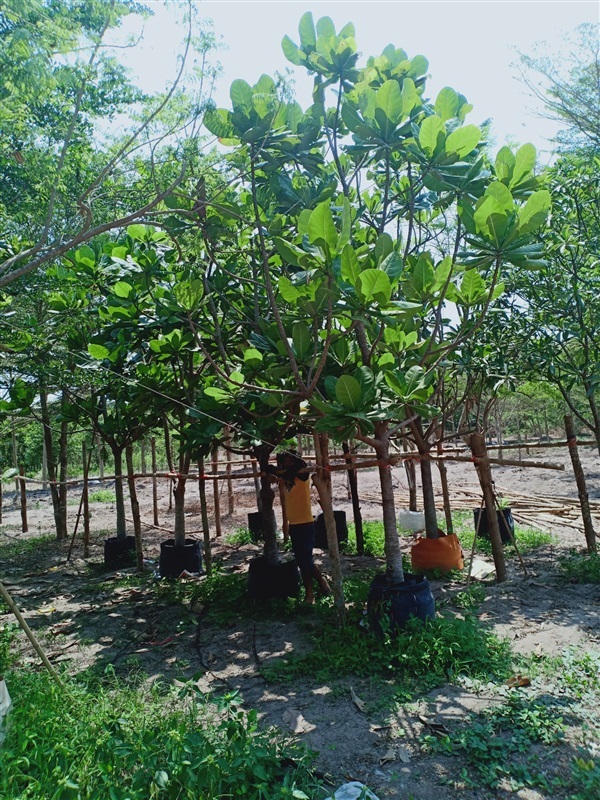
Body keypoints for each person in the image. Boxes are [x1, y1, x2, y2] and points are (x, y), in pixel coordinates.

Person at [268, 452, 331, 604]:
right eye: (285, 462)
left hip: (306, 524)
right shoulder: (285, 478)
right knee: (303, 560)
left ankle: (313, 592)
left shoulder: (302, 475)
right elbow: (269, 469)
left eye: (291, 461)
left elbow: (301, 465)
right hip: (294, 524)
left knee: (305, 561)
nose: (288, 464)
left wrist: (282, 472)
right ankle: (320, 587)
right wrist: (275, 472)